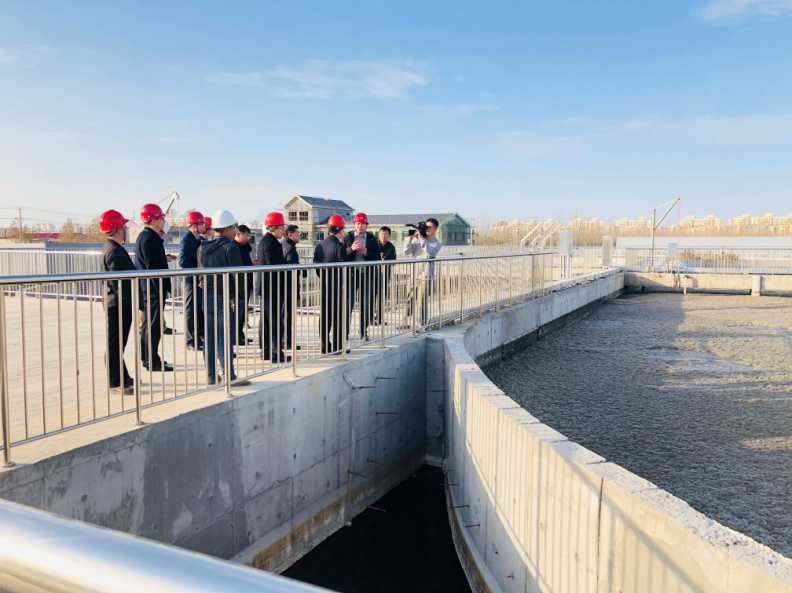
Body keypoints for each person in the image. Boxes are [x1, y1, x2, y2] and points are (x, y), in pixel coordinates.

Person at [197, 210, 250, 386]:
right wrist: (241, 297)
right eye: (234, 227)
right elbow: (238, 276)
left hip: (207, 297)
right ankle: (229, 376)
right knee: (224, 338)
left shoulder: (202, 247)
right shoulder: (230, 247)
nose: (236, 230)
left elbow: (201, 272)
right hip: (225, 297)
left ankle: (211, 376)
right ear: (226, 229)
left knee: (209, 338)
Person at [99, 209, 135, 395]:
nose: (125, 230)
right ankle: (115, 382)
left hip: (118, 302)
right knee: (115, 344)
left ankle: (123, 376)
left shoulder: (111, 248)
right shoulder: (114, 252)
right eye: (124, 227)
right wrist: (132, 302)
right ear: (119, 230)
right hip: (119, 304)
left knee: (117, 342)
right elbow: (119, 284)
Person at [136, 203, 173, 372]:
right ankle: (152, 361)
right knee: (153, 326)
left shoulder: (146, 237)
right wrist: (158, 288)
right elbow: (151, 267)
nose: (163, 221)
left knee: (148, 325)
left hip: (150, 288)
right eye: (161, 219)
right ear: (154, 221)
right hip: (152, 289)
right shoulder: (149, 239)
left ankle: (148, 358)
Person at [256, 212, 290, 363]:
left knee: (267, 320)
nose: (283, 231)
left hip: (268, 287)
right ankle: (276, 352)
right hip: (271, 287)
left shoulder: (267, 241)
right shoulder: (270, 243)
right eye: (282, 228)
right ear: (273, 228)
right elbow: (272, 265)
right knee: (274, 320)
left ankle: (267, 351)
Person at [314, 214, 348, 354]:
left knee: (324, 317)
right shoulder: (339, 246)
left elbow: (316, 266)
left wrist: (324, 278)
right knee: (338, 317)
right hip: (337, 287)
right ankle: (338, 346)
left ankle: (324, 346)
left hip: (324, 286)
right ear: (340, 230)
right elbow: (344, 268)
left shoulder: (319, 245)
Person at [343, 212, 380, 341]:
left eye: (363, 224)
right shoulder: (347, 238)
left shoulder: (371, 238)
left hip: (367, 275)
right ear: (354, 224)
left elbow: (377, 257)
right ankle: (345, 332)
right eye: (358, 223)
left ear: (366, 225)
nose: (360, 226)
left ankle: (363, 332)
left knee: (365, 305)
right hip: (352, 275)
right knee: (348, 304)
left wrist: (367, 253)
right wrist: (351, 249)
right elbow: (341, 255)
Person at [401, 218, 442, 327]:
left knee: (422, 303)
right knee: (409, 300)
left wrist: (421, 238)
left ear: (435, 229)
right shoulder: (417, 240)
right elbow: (405, 252)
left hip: (426, 277)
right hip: (413, 275)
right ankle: (405, 322)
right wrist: (410, 239)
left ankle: (422, 324)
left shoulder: (436, 243)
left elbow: (430, 252)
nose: (427, 229)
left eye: (430, 227)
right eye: (426, 227)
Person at [178, 211, 205, 350]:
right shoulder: (187, 240)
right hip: (190, 279)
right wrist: (196, 271)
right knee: (190, 309)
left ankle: (197, 337)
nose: (204, 226)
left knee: (197, 309)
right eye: (202, 224)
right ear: (195, 225)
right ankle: (190, 340)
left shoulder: (197, 239)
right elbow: (183, 261)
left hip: (197, 278)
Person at [282, 224, 304, 351]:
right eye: (297, 233)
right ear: (290, 234)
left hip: (286, 287)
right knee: (287, 315)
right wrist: (302, 270)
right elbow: (292, 268)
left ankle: (286, 340)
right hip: (289, 287)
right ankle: (287, 341)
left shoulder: (285, 245)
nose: (299, 235)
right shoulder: (290, 249)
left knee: (285, 314)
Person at [233, 224, 254, 345]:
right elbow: (240, 264)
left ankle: (240, 334)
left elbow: (249, 250)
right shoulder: (234, 247)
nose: (248, 238)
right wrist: (251, 265)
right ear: (238, 234)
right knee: (238, 312)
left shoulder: (243, 246)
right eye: (246, 236)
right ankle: (236, 336)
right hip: (239, 284)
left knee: (242, 312)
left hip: (246, 283)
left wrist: (246, 243)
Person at [373, 226, 397, 326]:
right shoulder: (374, 244)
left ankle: (380, 318)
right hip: (373, 274)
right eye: (382, 234)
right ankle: (370, 318)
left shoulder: (391, 247)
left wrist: (385, 260)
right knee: (372, 296)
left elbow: (393, 261)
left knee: (382, 297)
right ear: (378, 234)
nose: (383, 236)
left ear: (389, 235)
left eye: (386, 234)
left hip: (385, 274)